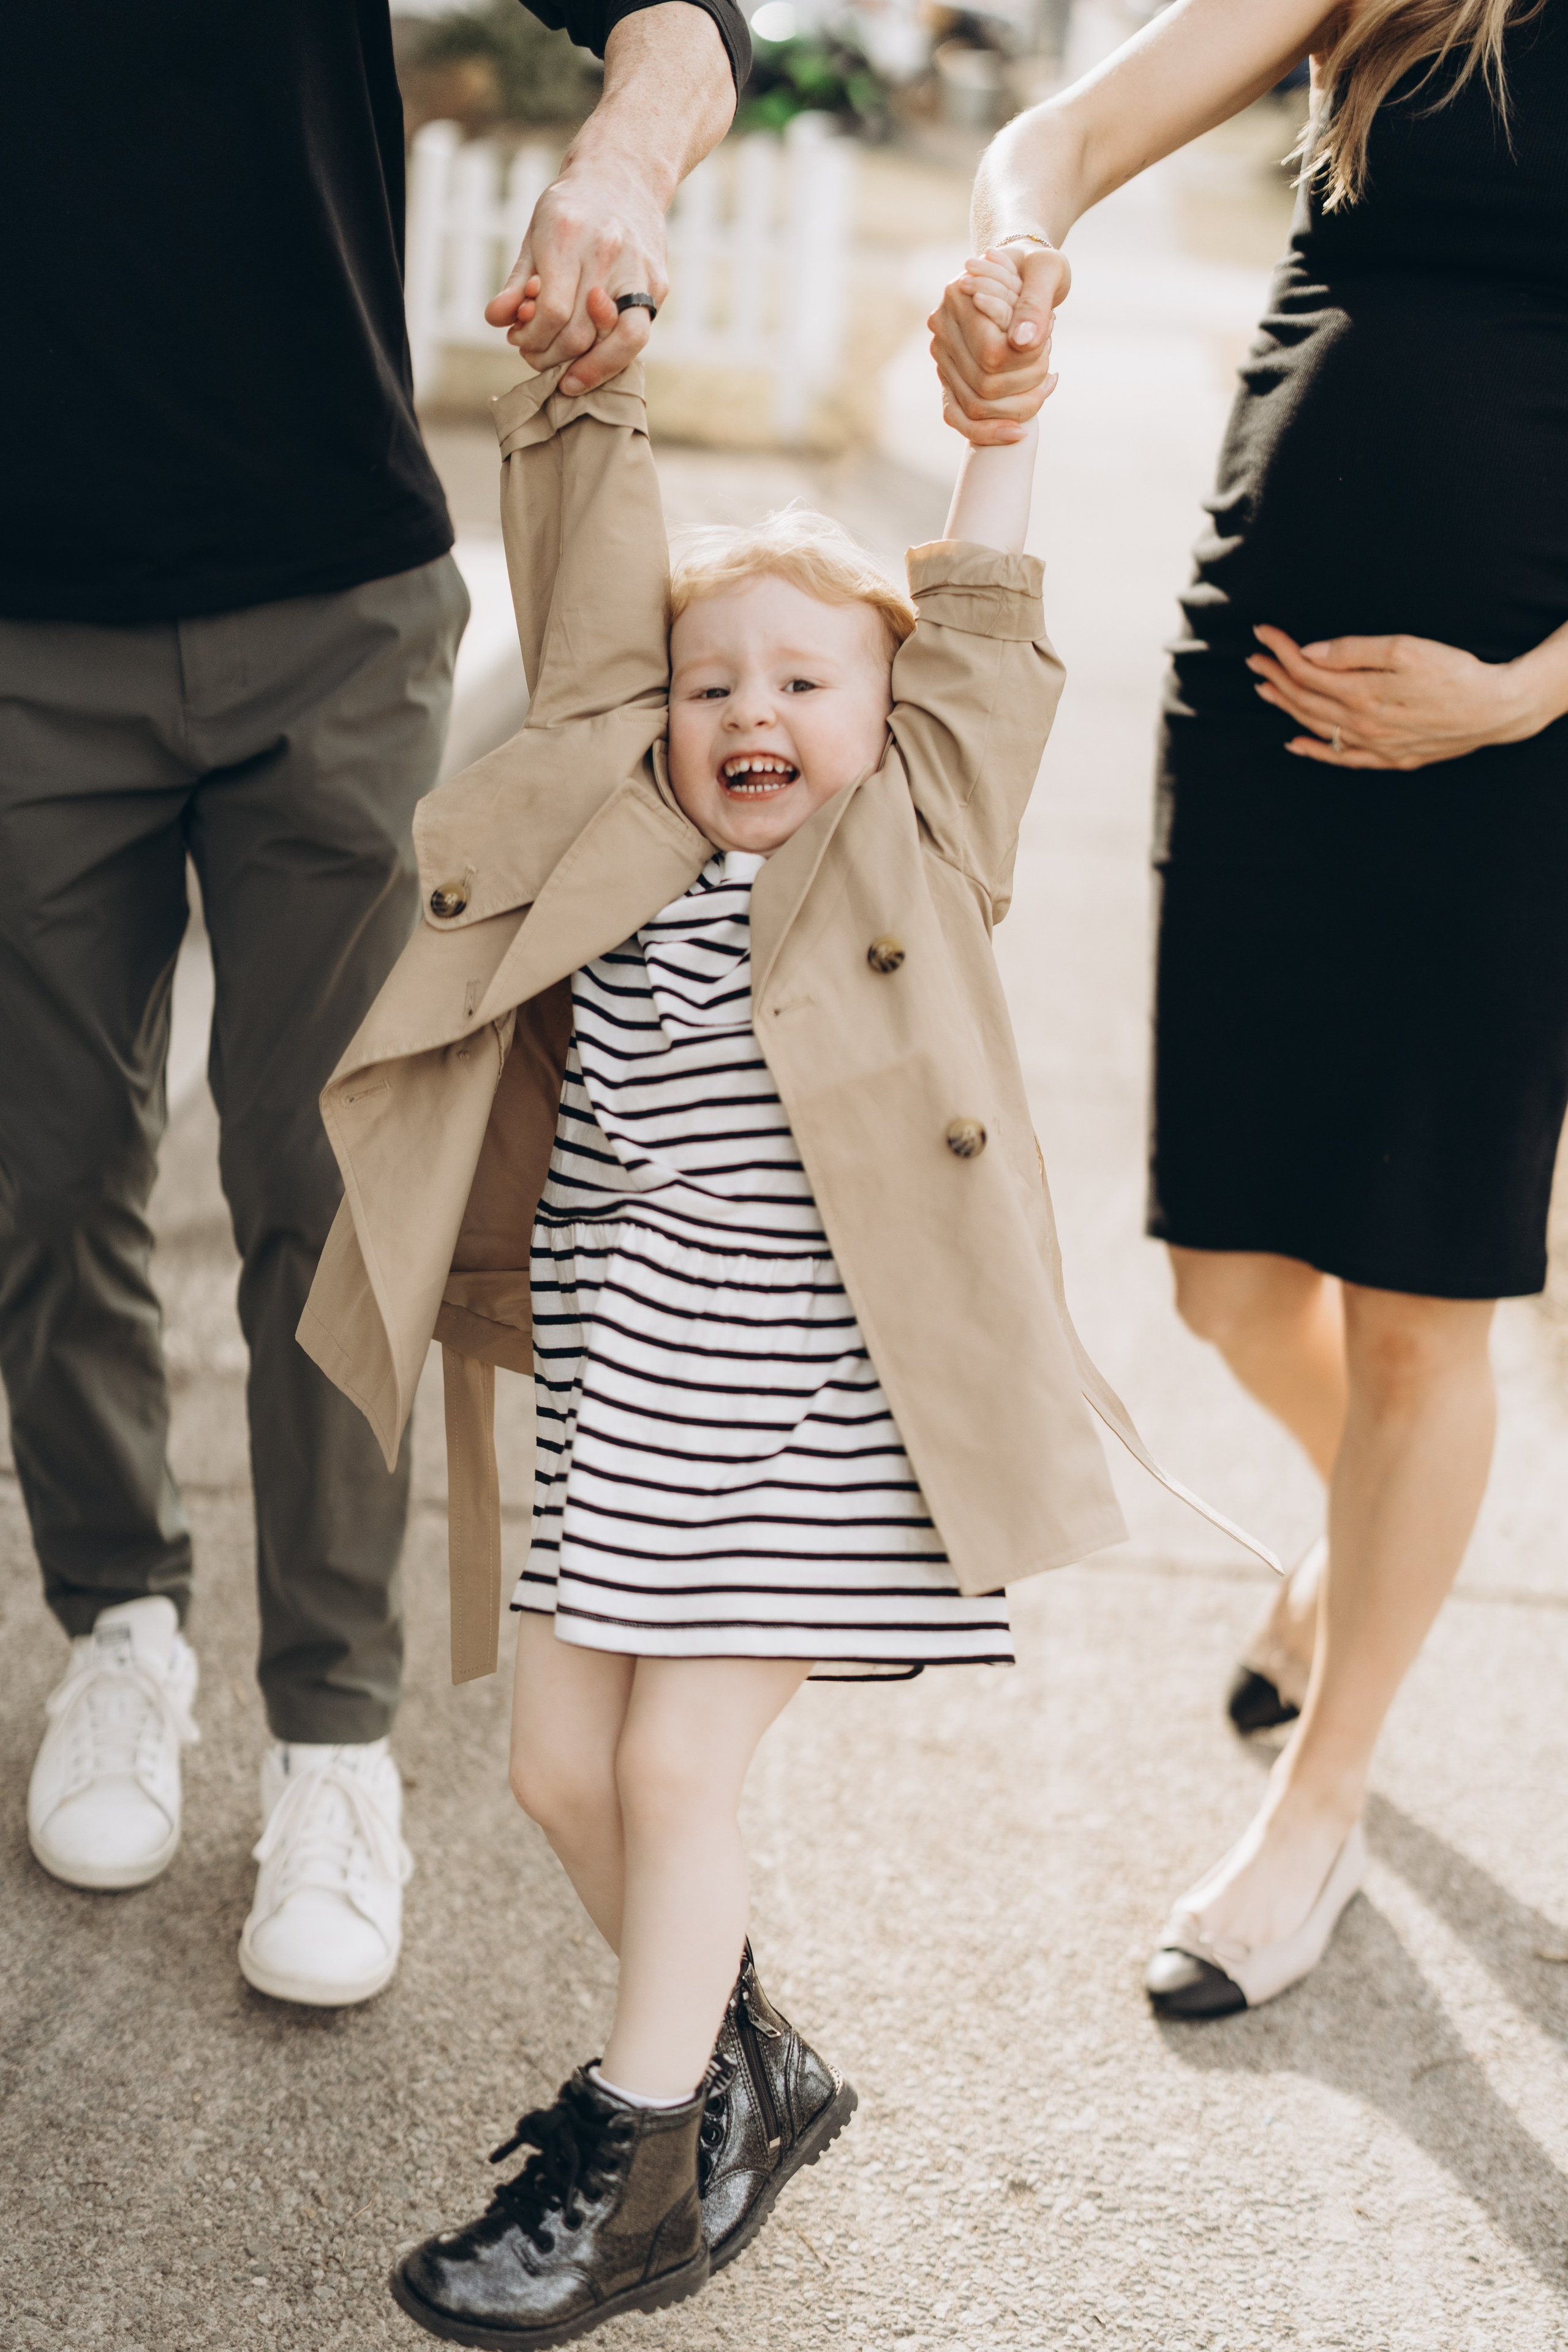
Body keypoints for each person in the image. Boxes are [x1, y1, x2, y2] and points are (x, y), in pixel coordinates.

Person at [295, 238, 1264, 2334]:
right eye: (713, 681)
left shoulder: (911, 839)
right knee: (561, 1776)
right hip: (628, 1398)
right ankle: (752, 2068)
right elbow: (587, 623)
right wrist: (585, 389)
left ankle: (637, 2167)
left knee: (672, 1776)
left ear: (886, 720)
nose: (752, 710)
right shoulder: (612, 837)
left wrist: (1002, 429)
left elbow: (983, 626)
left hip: (818, 1404)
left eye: (806, 683)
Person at [3, 0, 747, 2007]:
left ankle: (332, 1737)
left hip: (328, 598)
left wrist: (620, 162)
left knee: (332, 1186)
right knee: (46, 1169)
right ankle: (118, 1624)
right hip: (18, 623)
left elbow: (686, 17)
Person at [930, 0, 1568, 2015]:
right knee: (1223, 1282)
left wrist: (1526, 692)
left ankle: (1323, 1805)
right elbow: (1058, 135)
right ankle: (1365, 1545)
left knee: (1420, 1309)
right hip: (1257, 700)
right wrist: (1010, 254)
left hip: (1517, 755)